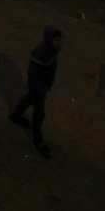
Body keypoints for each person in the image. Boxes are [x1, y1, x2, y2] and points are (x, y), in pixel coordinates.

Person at [9, 26, 63, 157]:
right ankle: (38, 141)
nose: (59, 42)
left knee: (29, 99)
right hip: (39, 88)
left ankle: (15, 115)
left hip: (40, 87)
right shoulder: (43, 53)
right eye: (56, 40)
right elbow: (33, 73)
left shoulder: (49, 51)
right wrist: (40, 89)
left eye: (59, 40)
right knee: (39, 114)